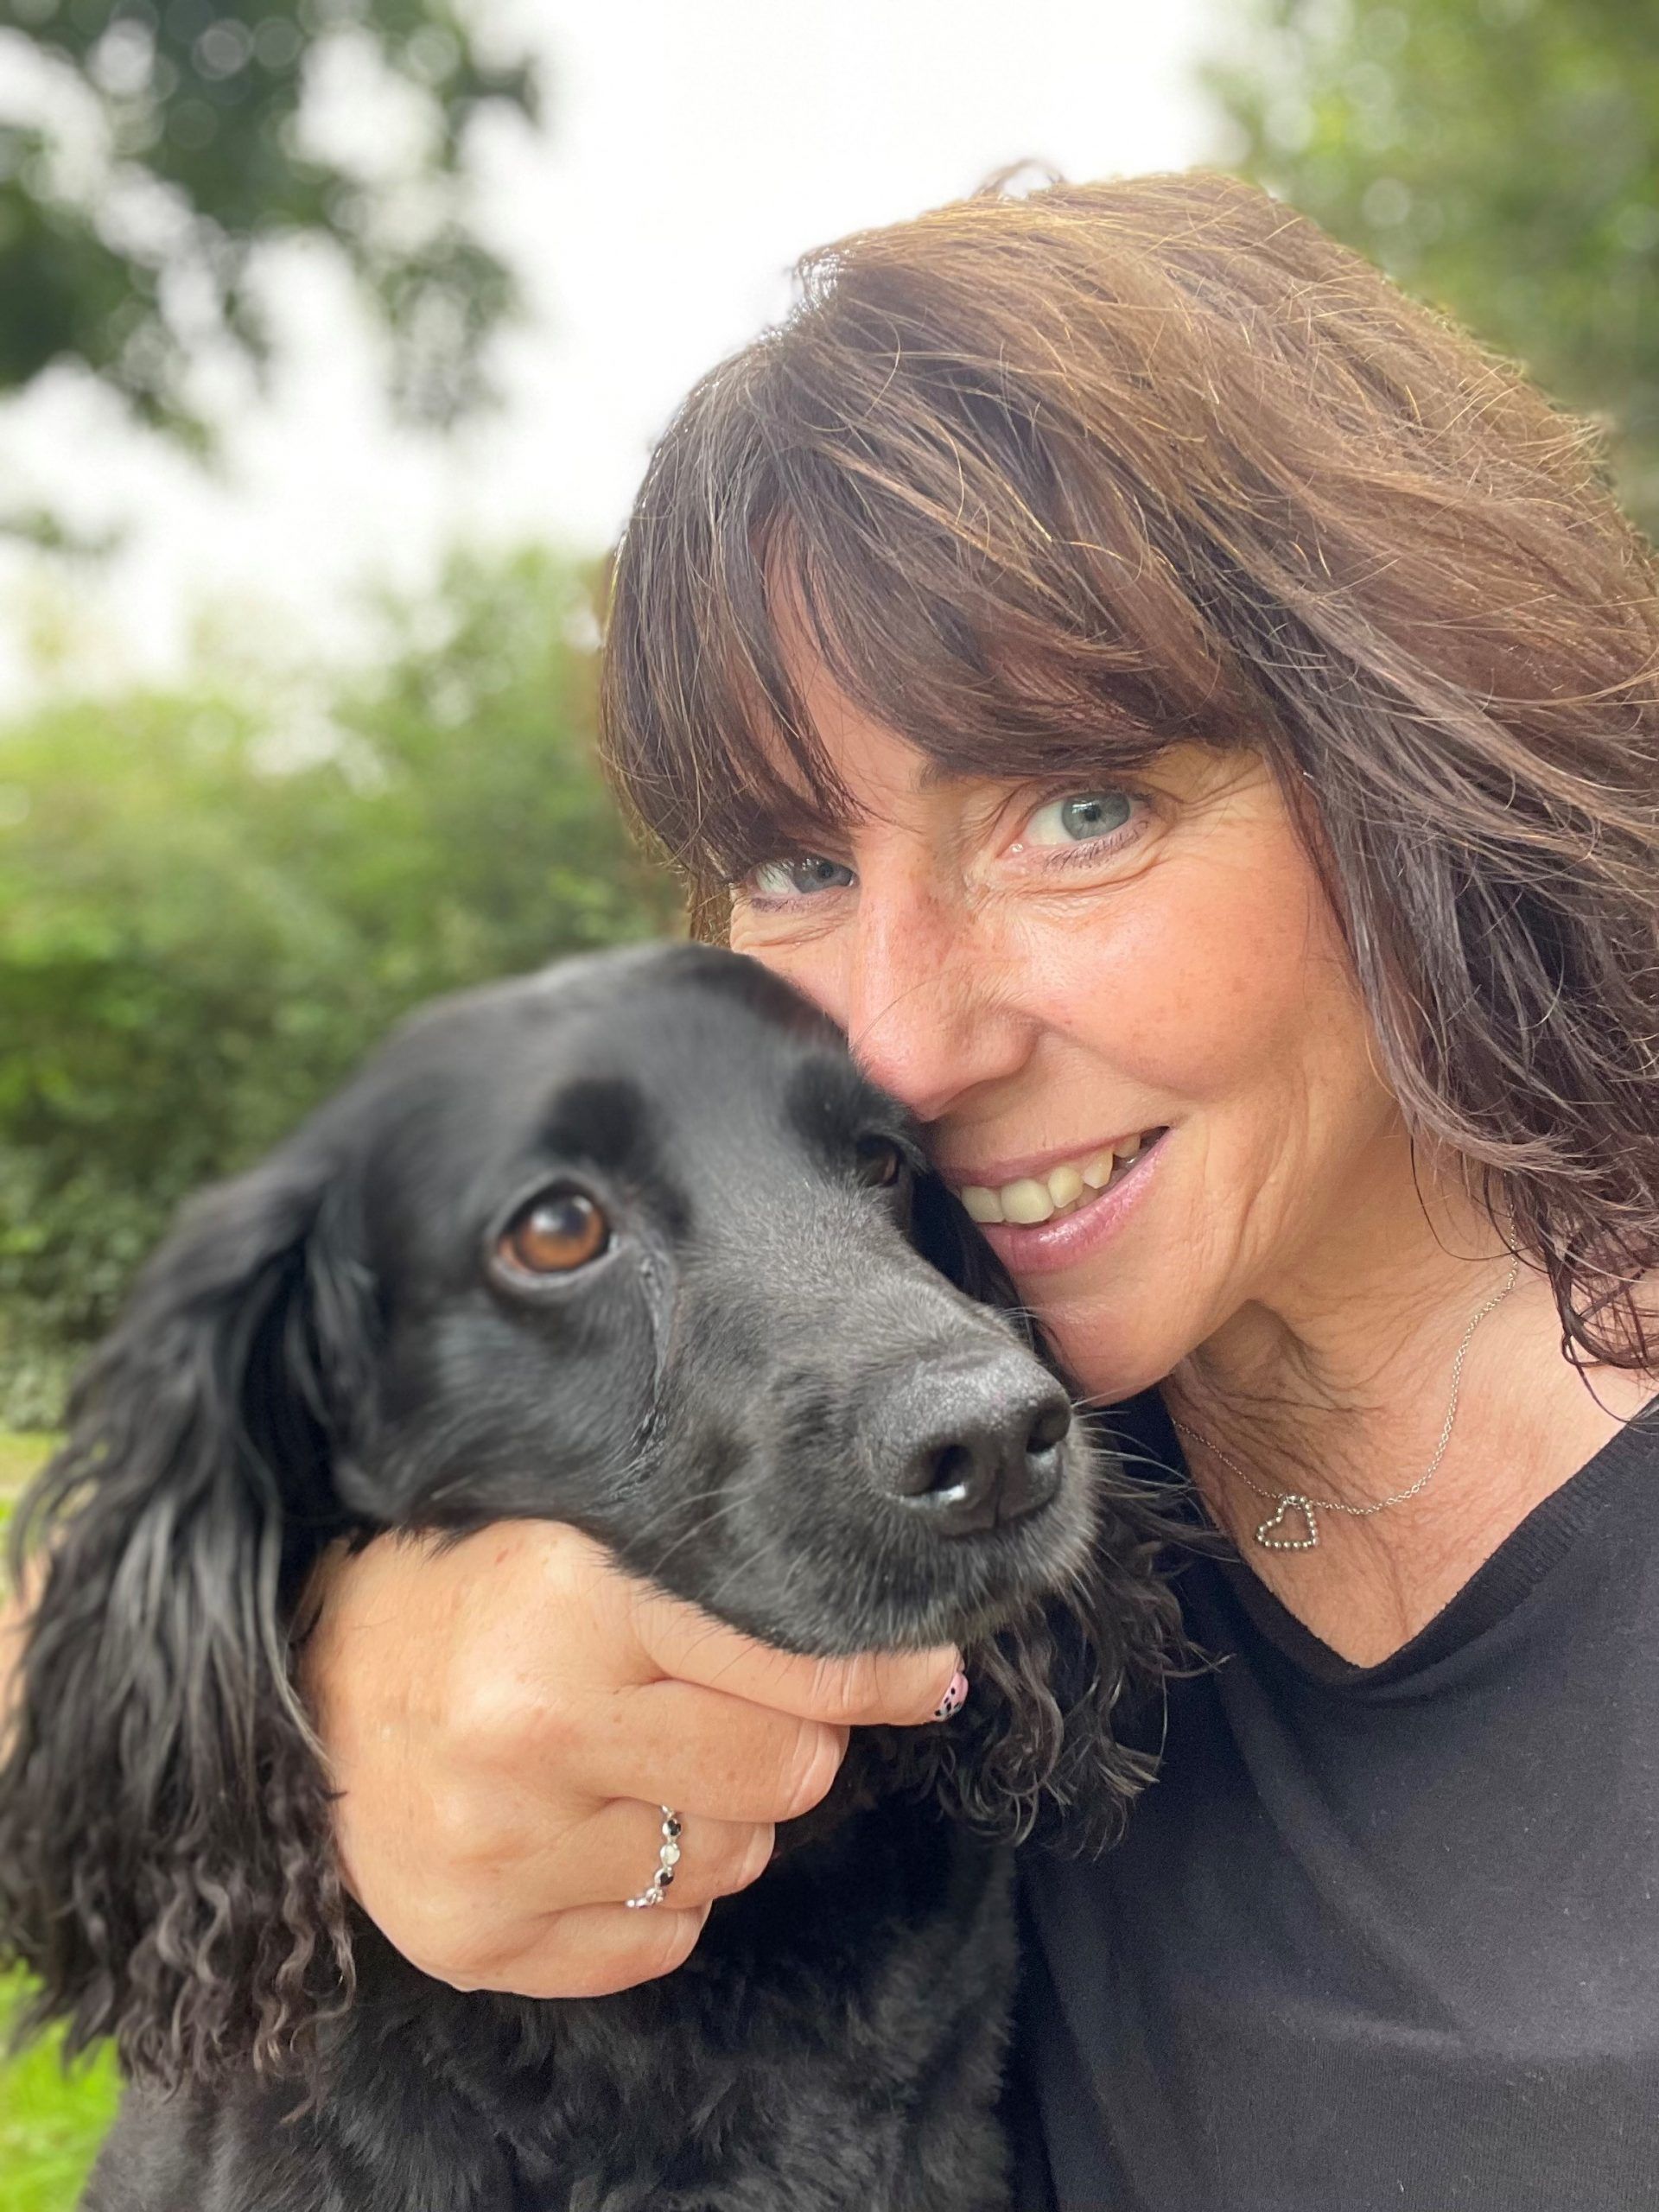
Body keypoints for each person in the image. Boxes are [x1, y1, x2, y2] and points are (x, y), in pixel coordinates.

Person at [104, 172, 1659, 2205]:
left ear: (1426, 758)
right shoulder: (901, 1363)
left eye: (1079, 810)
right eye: (795, 865)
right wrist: (337, 1672)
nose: (902, 1046)